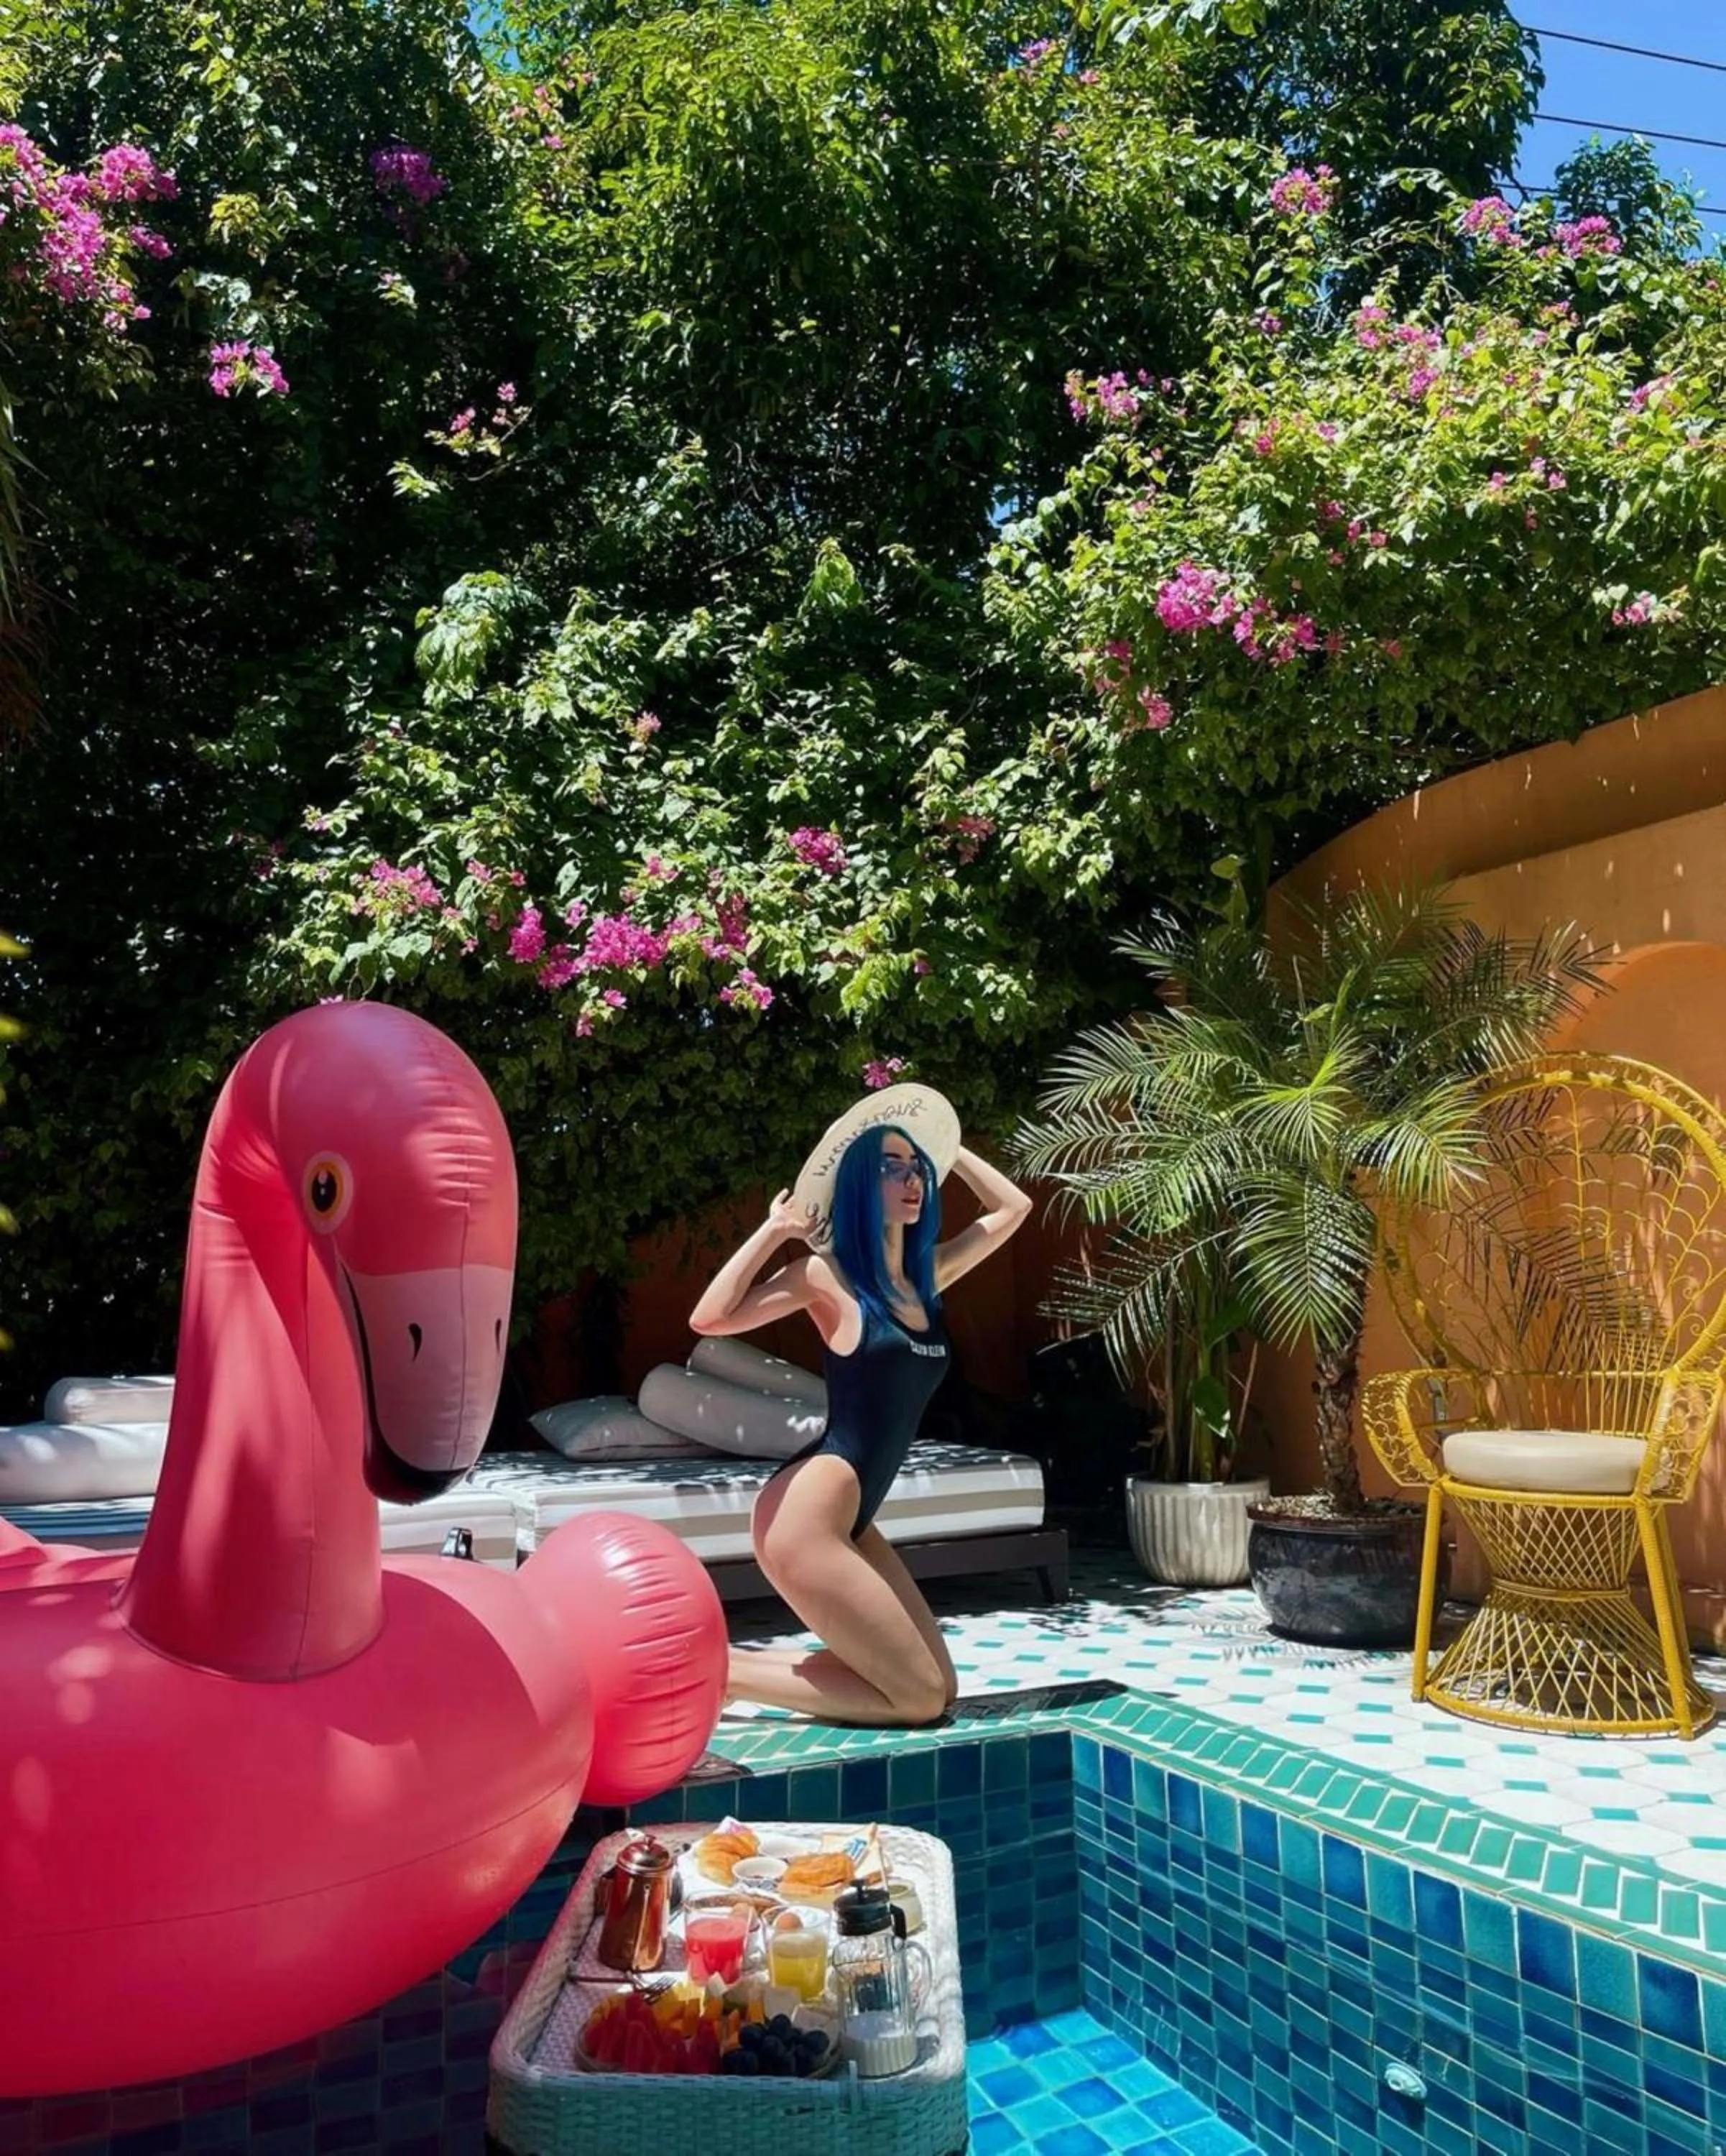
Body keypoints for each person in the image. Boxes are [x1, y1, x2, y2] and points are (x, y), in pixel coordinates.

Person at [690, 1097, 1033, 1726]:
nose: (912, 1181)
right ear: (857, 1186)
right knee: (917, 1699)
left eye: (916, 1168)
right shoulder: (828, 1277)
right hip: (807, 1513)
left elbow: (1014, 1209)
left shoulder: (926, 1278)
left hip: (852, 1517)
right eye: (891, 1168)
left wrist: (947, 1149)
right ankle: (721, 1673)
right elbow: (710, 1318)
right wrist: (774, 1231)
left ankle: (729, 1673)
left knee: (940, 1688)